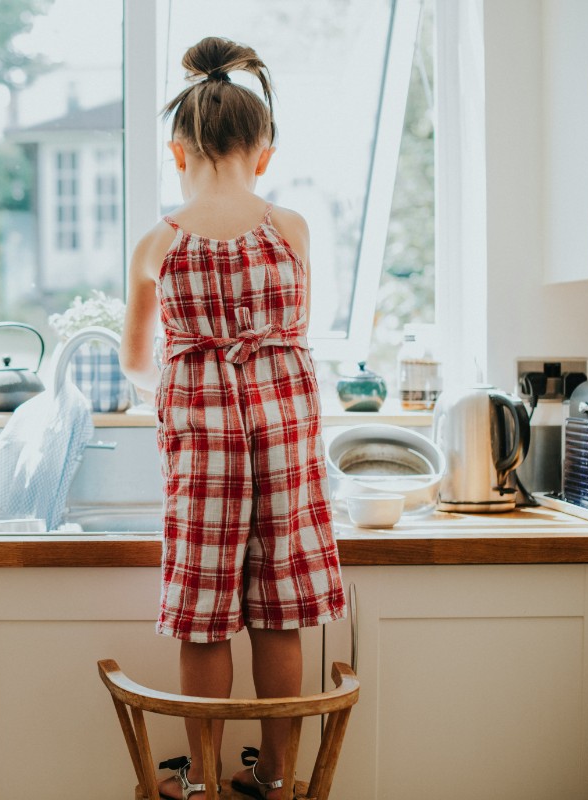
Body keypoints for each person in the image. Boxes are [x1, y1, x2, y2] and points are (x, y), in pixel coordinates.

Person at [119, 36, 346, 800]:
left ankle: (208, 781)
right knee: (278, 609)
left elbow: (133, 360)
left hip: (203, 433)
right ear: (265, 153)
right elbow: (298, 320)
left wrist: (194, 366)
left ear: (177, 153)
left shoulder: (159, 242)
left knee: (204, 613)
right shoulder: (291, 229)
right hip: (282, 427)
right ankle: (280, 779)